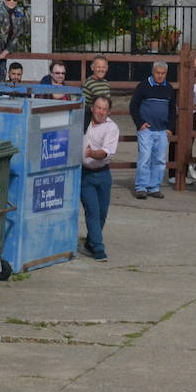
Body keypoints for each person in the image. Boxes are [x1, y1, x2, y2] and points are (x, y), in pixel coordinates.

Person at [129, 60, 175, 200]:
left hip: (162, 131)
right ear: (153, 72)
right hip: (146, 130)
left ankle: (154, 187)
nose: (160, 76)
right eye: (158, 73)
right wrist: (140, 123)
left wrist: (170, 128)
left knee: (160, 160)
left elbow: (172, 110)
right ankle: (141, 187)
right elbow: (133, 106)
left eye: (163, 73)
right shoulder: (143, 86)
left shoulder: (169, 88)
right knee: (145, 157)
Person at [80, 94, 118, 262]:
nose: (101, 112)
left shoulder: (112, 128)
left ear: (108, 111)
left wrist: (91, 153)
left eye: (104, 109)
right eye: (98, 108)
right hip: (85, 174)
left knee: (102, 213)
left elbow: (105, 153)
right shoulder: (82, 122)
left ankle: (90, 241)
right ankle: (98, 248)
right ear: (92, 108)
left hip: (103, 173)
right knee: (93, 211)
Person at [82, 55, 111, 129]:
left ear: (107, 68)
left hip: (104, 120)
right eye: (98, 67)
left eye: (104, 67)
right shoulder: (88, 83)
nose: (101, 69)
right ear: (92, 68)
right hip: (92, 123)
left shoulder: (106, 83)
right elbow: (83, 105)